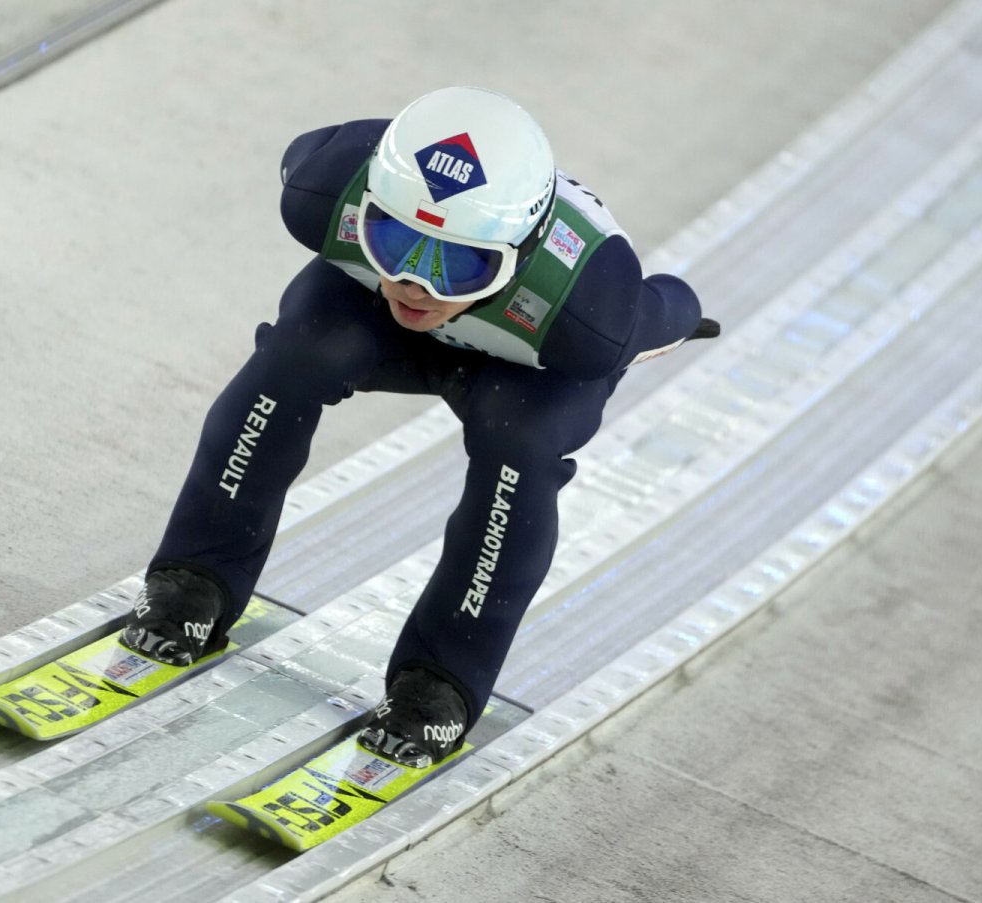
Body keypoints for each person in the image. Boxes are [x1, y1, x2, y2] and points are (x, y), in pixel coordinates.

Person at [121, 86, 715, 768]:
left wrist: (676, 314)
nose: (417, 285)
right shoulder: (326, 188)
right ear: (365, 208)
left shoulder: (593, 315)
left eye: (459, 262)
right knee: (299, 355)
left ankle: (442, 681)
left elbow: (665, 310)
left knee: (515, 439)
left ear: (520, 253)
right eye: (396, 240)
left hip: (529, 365)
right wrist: (437, 263)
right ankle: (195, 579)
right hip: (381, 320)